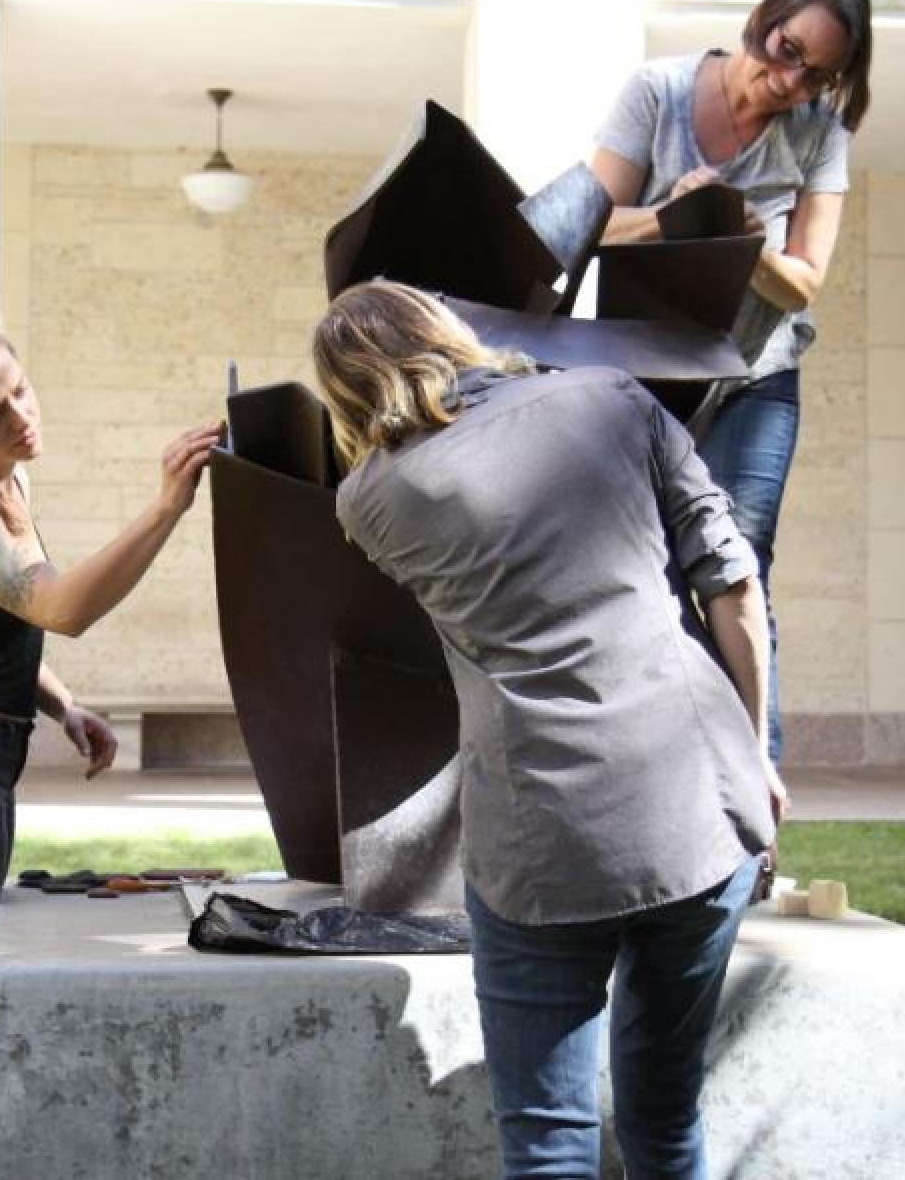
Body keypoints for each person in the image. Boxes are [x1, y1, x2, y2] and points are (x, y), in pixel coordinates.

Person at [315, 280, 786, 1178]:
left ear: (348, 392)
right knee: (665, 1110)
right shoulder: (611, 397)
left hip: (539, 839)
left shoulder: (369, 501)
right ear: (449, 333)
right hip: (700, 804)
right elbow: (733, 586)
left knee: (546, 1143)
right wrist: (756, 753)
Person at [0, 326, 223, 1180]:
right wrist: (165, 506)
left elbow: (1, 624)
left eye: (21, 390)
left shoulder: (1, 486)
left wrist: (61, 703)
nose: (20, 416)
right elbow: (57, 606)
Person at [589, 0, 873, 765]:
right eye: (786, 52)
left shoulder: (820, 136)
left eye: (816, 74)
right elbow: (591, 225)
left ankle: (756, 800)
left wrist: (744, 238)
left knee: (738, 563)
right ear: (763, 22)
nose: (789, 82)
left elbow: (804, 280)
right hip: (647, 374)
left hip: (755, 376)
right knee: (639, 570)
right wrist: (677, 217)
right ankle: (662, 783)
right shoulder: (658, 91)